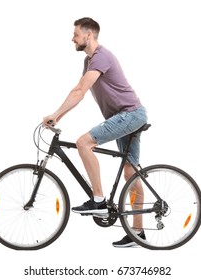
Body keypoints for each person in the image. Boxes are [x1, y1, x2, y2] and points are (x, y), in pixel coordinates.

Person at [43, 17, 148, 247]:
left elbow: (80, 90)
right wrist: (57, 117)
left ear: (88, 35)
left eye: (76, 34)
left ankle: (98, 201)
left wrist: (55, 113)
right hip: (128, 116)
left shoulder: (101, 56)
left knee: (83, 143)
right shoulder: (89, 61)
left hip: (130, 115)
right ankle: (138, 234)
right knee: (130, 173)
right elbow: (79, 92)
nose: (73, 38)